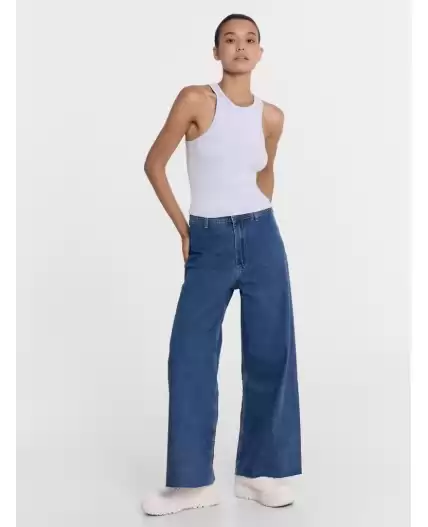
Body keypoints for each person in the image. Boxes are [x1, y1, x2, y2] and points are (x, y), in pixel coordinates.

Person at [141, 13, 302, 516]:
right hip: (207, 240)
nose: (240, 47)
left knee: (271, 352)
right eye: (230, 40)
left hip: (262, 237)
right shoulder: (195, 100)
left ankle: (258, 472)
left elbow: (265, 176)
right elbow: (154, 163)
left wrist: (257, 223)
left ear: (260, 53)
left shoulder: (272, 117)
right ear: (216, 52)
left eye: (250, 40)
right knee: (189, 354)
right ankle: (192, 484)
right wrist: (184, 229)